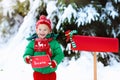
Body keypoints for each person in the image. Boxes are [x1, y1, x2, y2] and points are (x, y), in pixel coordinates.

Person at [23, 15, 64, 80]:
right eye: (40, 29)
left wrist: (55, 61)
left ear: (49, 31)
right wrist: (27, 57)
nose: (42, 31)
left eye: (45, 30)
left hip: (50, 72)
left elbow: (60, 54)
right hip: (38, 73)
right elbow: (28, 52)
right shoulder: (32, 43)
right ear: (36, 30)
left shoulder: (54, 43)